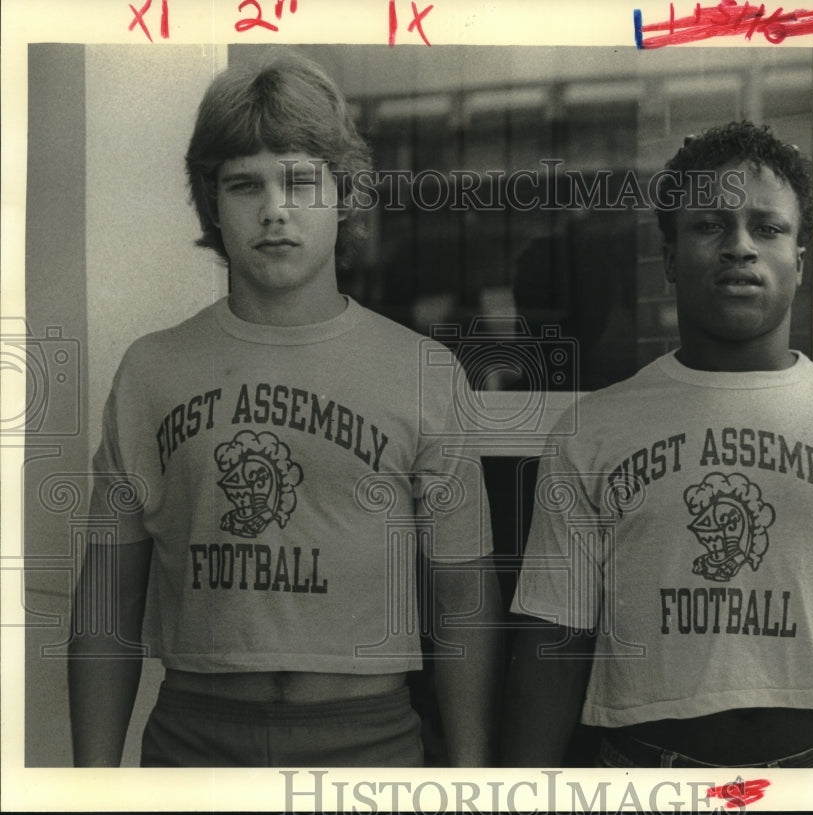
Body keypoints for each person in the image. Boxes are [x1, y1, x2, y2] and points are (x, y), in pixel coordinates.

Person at [69, 51, 502, 768]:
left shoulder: (420, 370)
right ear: (213, 202)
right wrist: (89, 786)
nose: (275, 209)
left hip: (369, 740)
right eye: (245, 185)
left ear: (345, 194)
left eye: (301, 180)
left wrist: (472, 773)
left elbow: (464, 594)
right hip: (194, 741)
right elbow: (107, 608)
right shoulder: (153, 369)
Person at [502, 121, 813, 769]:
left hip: (812, 778)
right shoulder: (596, 431)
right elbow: (554, 641)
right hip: (642, 776)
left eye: (767, 228)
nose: (739, 246)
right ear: (667, 258)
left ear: (799, 263)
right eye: (709, 225)